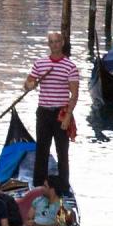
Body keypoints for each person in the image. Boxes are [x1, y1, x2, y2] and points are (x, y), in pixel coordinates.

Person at [24, 29, 81, 192]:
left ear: (62, 43)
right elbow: (27, 83)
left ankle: (63, 186)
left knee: (62, 151)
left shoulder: (70, 66)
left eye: (57, 41)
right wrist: (30, 85)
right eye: (51, 42)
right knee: (42, 149)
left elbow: (74, 94)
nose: (54, 45)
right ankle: (38, 185)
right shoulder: (40, 64)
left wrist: (68, 116)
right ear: (48, 44)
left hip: (61, 114)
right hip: (43, 112)